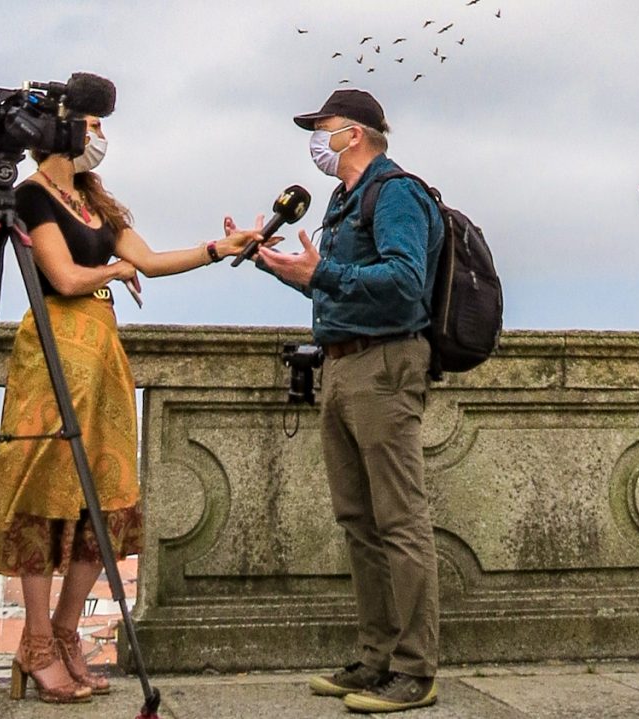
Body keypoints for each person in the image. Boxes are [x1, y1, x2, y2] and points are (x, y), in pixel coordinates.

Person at [0, 74, 263, 704]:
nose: (101, 135)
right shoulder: (32, 197)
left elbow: (153, 260)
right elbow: (66, 277)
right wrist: (115, 268)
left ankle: (66, 632)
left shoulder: (94, 200)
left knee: (102, 500)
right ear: (64, 127)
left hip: (102, 356)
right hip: (55, 349)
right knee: (44, 493)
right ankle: (35, 643)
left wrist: (221, 247)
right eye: (93, 122)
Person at [249, 88, 444, 713]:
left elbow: (406, 280)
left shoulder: (397, 194)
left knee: (400, 520)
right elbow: (341, 288)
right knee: (359, 521)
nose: (315, 138)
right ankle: (375, 656)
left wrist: (321, 275)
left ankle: (416, 670)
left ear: (353, 133)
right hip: (341, 364)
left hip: (385, 363)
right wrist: (284, 268)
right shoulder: (343, 201)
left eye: (321, 127)